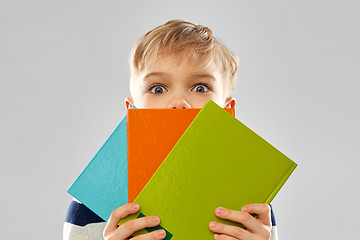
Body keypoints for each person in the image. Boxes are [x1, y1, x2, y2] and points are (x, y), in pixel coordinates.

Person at [64, 19, 278, 240]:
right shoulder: (91, 205)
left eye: (200, 87)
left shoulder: (249, 205)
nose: (179, 103)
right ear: (132, 111)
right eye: (157, 89)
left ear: (227, 110)